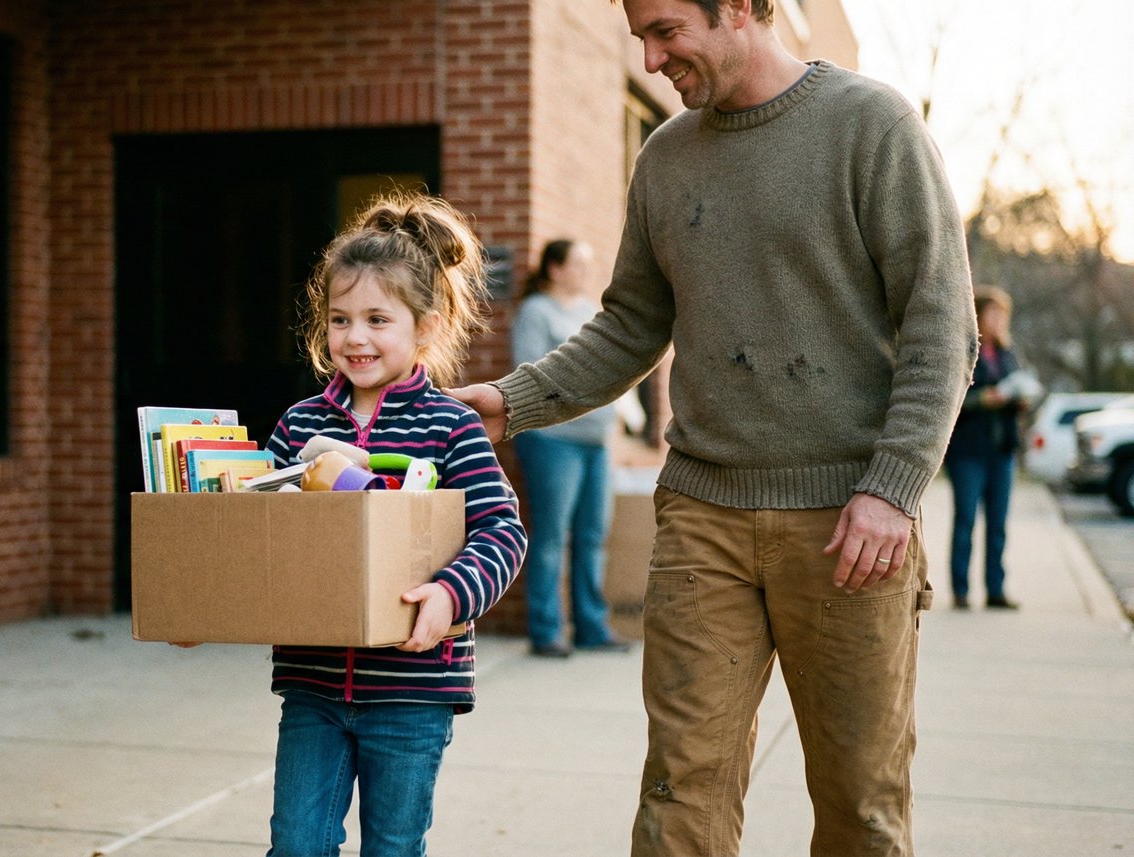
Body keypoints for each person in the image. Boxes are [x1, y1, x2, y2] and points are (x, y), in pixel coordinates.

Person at [446, 0, 978, 854]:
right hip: (704, 516)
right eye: (640, 38)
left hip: (851, 524)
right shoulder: (665, 157)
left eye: (664, 32)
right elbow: (628, 325)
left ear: (738, 6)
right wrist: (514, 400)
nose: (652, 60)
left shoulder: (872, 127)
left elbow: (942, 327)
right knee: (680, 791)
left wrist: (893, 487)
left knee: (860, 806)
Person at [263, 191, 528, 857]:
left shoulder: (450, 425)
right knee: (296, 845)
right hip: (314, 682)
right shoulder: (299, 426)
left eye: (378, 318)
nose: (355, 337)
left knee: (393, 847)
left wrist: (449, 593)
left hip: (414, 689)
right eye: (340, 318)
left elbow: (500, 529)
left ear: (427, 327)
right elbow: (252, 529)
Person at [511, 239, 630, 657]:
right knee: (551, 535)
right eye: (578, 264)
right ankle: (546, 631)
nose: (585, 272)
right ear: (554, 269)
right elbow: (532, 374)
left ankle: (591, 628)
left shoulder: (589, 313)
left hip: (597, 442)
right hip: (553, 442)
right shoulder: (536, 312)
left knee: (593, 534)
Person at [944, 286, 1029, 610]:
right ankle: (961, 590)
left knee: (998, 524)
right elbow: (951, 400)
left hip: (1002, 452)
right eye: (992, 314)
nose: (998, 320)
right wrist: (982, 400)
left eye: (1002, 315)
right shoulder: (964, 351)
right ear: (977, 315)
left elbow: (1016, 390)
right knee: (965, 521)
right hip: (968, 452)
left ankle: (996, 590)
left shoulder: (1008, 355)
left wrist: (1019, 401)